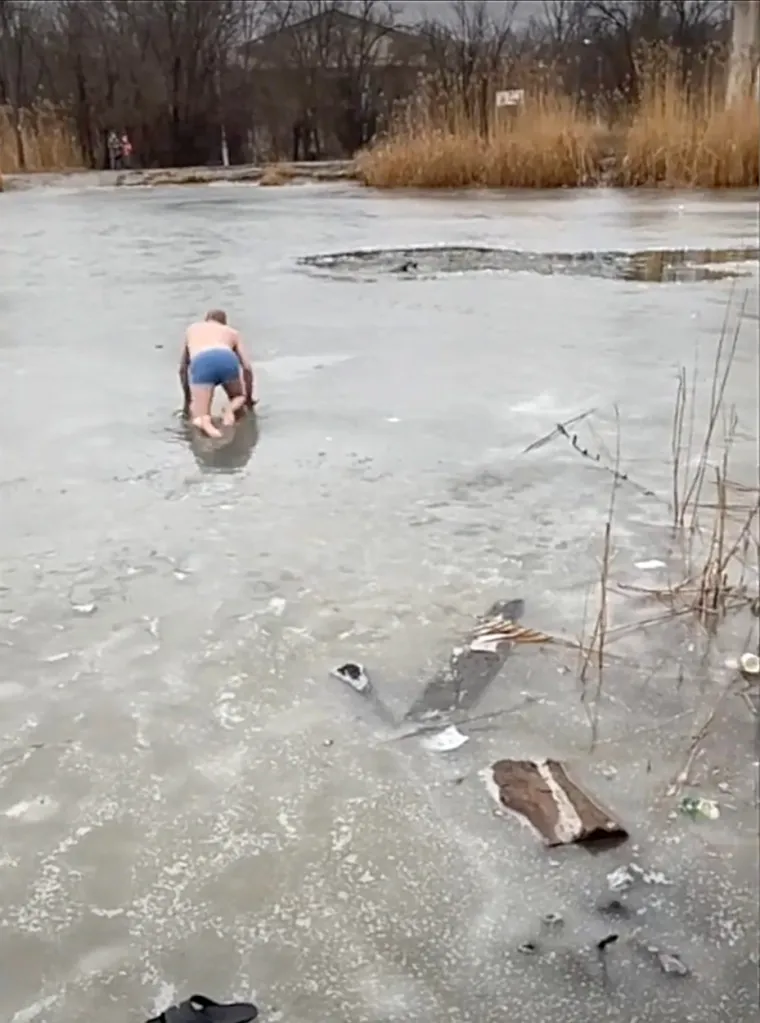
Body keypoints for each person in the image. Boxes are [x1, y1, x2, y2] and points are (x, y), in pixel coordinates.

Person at [179, 310, 255, 438]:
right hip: (226, 358)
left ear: (206, 319)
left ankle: (210, 430)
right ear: (224, 323)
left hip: (202, 361)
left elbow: (183, 368)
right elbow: (247, 367)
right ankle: (229, 411)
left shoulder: (192, 329)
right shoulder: (231, 332)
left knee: (200, 416)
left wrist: (188, 399)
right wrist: (248, 397)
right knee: (238, 397)